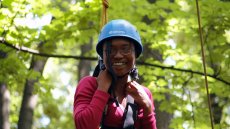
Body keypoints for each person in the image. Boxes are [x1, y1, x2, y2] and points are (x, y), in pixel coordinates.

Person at [73, 19, 157, 129]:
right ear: (102, 56)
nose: (118, 55)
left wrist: (147, 106)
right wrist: (102, 89)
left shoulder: (143, 94)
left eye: (125, 49)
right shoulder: (90, 85)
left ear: (135, 54)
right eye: (110, 50)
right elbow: (84, 126)